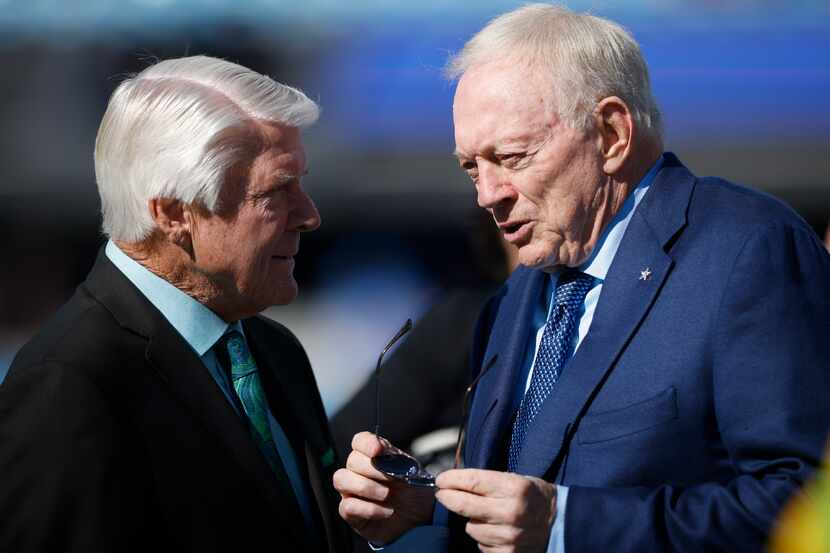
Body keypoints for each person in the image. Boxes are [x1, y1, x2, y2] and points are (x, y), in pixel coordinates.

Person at [333, 5, 830, 553]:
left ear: (612, 133)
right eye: (472, 167)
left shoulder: (746, 249)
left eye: (514, 157)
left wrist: (569, 523)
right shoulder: (520, 292)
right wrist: (428, 506)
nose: (487, 195)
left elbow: (800, 507)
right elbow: (517, 504)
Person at [0, 56, 351, 553]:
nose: (309, 215)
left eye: (302, 184)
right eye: (277, 191)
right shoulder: (69, 383)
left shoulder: (273, 351)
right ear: (172, 213)